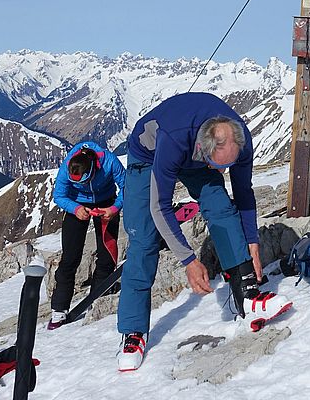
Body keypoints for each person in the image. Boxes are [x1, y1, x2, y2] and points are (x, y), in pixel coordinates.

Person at [115, 92, 291, 372]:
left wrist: (252, 242)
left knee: (221, 207)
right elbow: (160, 206)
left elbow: (243, 193)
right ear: (204, 147)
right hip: (147, 157)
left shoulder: (238, 142)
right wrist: (188, 260)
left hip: (195, 154)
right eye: (217, 166)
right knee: (144, 237)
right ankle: (133, 331)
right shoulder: (174, 139)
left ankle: (249, 296)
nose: (219, 171)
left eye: (226, 167)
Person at [49, 141, 126, 328]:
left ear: (92, 170)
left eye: (83, 182)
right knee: (70, 258)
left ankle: (99, 298)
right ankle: (59, 310)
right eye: (76, 183)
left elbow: (127, 186)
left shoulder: (109, 161)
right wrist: (75, 209)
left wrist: (114, 208)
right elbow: (59, 195)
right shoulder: (68, 165)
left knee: (106, 255)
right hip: (77, 206)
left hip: (105, 202)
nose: (81, 185)